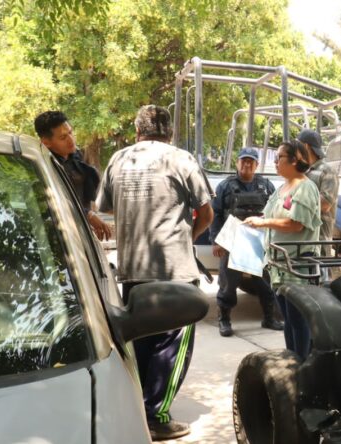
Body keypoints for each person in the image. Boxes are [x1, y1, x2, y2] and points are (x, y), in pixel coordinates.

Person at [96, 105, 214, 441]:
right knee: (173, 343)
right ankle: (155, 417)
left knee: (141, 340)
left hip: (133, 268)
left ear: (137, 131)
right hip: (173, 270)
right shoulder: (181, 159)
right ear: (169, 133)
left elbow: (104, 207)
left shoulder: (118, 160)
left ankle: (137, 409)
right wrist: (186, 239)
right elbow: (206, 213)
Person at [243, 139, 320, 359]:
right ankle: (291, 360)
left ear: (295, 160)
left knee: (297, 319)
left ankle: (302, 365)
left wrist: (263, 223)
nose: (275, 162)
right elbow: (270, 216)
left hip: (296, 263)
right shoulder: (283, 187)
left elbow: (296, 224)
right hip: (278, 264)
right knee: (287, 318)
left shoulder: (305, 187)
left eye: (280, 158)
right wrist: (257, 220)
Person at [210, 147, 284, 337]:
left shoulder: (267, 186)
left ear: (257, 165)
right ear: (237, 163)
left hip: (259, 240)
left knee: (265, 282)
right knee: (228, 283)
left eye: (251, 161)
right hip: (232, 239)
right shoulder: (225, 186)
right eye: (244, 160)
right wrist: (216, 242)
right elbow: (216, 215)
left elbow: (275, 212)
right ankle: (224, 320)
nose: (247, 164)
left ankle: (269, 318)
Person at [34, 111, 112, 240]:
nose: (71, 140)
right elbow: (54, 205)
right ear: (46, 142)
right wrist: (88, 215)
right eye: (63, 137)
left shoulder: (77, 158)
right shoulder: (43, 167)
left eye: (70, 132)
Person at [297, 129, 339, 261]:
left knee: (321, 279)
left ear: (306, 146)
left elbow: (325, 204)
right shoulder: (302, 171)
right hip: (300, 240)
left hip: (319, 241)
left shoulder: (327, 171)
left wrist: (295, 203)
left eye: (298, 145)